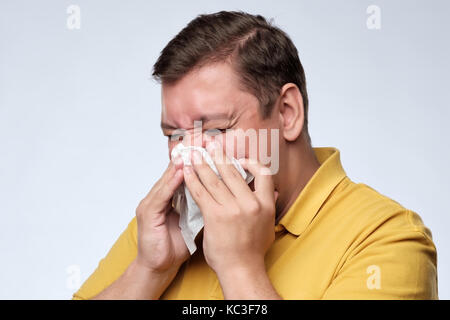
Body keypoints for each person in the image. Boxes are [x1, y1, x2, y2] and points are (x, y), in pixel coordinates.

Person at [73, 11, 437, 300]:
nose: (187, 155)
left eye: (215, 129)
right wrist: (148, 272)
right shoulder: (166, 226)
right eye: (175, 135)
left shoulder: (387, 241)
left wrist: (239, 268)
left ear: (287, 113)